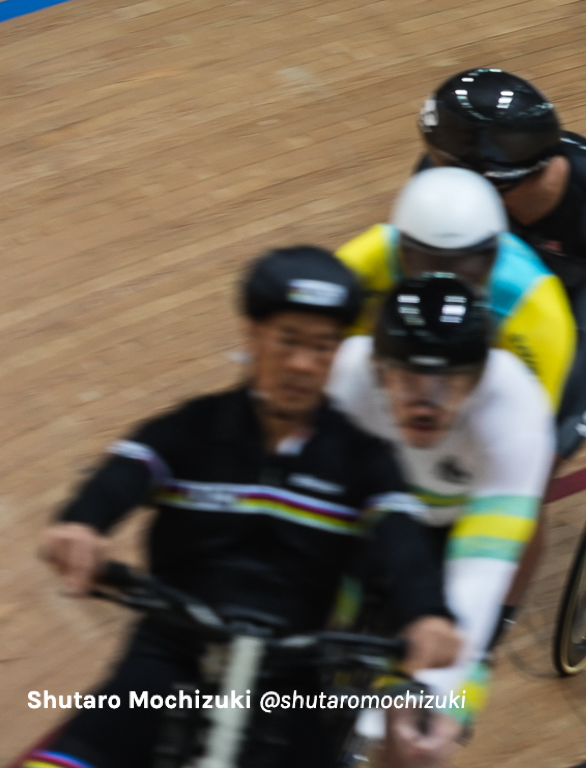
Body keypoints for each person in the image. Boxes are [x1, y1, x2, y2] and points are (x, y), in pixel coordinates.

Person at [28, 248, 460, 768]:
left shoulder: (363, 460)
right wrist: (82, 524)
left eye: (322, 348)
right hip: (172, 653)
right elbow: (125, 472)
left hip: (287, 677)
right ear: (252, 336)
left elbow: (402, 539)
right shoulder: (194, 428)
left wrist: (428, 613)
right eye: (288, 340)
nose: (302, 363)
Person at [327, 274, 554, 768]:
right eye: (408, 378)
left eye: (447, 382)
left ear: (476, 379)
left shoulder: (515, 406)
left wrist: (434, 688)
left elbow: (481, 571)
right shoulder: (344, 377)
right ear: (379, 371)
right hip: (364, 525)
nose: (425, 400)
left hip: (457, 542)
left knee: (416, 743)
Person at [416, 68, 586, 458]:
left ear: (492, 180)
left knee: (536, 449)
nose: (432, 168)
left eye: (443, 162)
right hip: (497, 286)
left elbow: (582, 382)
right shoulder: (446, 180)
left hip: (577, 303)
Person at [337, 167, 576, 447]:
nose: (444, 282)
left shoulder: (536, 309)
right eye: (432, 263)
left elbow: (524, 431)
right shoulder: (366, 259)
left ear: (492, 256)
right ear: (401, 249)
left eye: (459, 266)